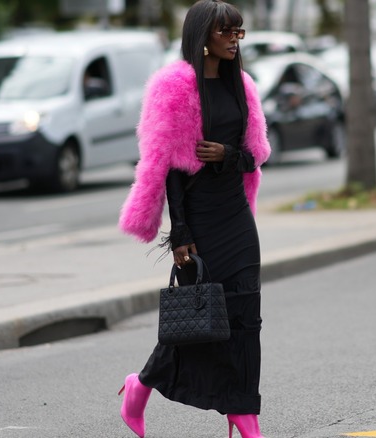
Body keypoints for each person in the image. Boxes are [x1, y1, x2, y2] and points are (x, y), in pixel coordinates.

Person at [116, 1, 271, 437]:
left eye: (238, 32)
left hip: (237, 218)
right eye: (226, 32)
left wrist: (228, 155)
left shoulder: (242, 86)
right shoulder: (174, 86)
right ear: (203, 36)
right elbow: (166, 165)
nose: (233, 40)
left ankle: (244, 415)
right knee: (201, 320)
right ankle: (140, 385)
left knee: (246, 318)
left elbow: (253, 157)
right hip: (198, 218)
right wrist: (179, 230)